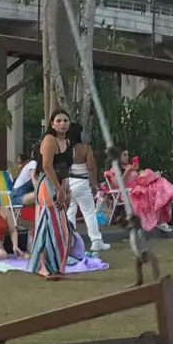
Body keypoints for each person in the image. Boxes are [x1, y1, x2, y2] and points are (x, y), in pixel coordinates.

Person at [27, 109, 75, 280]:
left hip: (61, 184)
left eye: (65, 120)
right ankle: (45, 267)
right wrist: (59, 189)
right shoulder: (49, 140)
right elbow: (47, 166)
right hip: (47, 184)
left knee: (58, 228)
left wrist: (67, 189)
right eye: (59, 120)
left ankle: (55, 266)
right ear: (52, 124)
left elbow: (66, 169)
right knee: (53, 227)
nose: (62, 123)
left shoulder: (68, 142)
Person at [64, 122, 109, 254]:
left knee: (70, 212)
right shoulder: (85, 148)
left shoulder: (64, 148)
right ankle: (96, 241)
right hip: (82, 182)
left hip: (68, 181)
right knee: (89, 213)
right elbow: (90, 167)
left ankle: (69, 241)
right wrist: (94, 184)